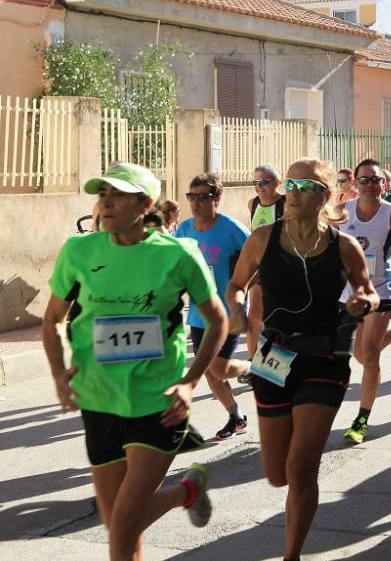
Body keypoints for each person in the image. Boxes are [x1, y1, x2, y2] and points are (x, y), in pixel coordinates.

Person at [43, 163, 223, 560]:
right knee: (118, 523)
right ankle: (186, 492)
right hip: (98, 400)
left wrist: (191, 383)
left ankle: (185, 490)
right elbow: (52, 320)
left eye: (118, 195)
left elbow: (218, 321)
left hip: (158, 403)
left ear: (145, 204)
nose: (106, 203)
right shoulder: (79, 251)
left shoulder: (178, 255)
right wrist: (58, 373)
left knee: (123, 525)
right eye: (102, 194)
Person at [226, 157, 379, 561]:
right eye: (290, 185)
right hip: (275, 357)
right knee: (277, 473)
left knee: (302, 468)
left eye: (305, 187)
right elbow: (237, 284)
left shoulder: (342, 246)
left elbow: (368, 290)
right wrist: (237, 308)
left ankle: (291, 556)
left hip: (325, 358)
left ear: (324, 197)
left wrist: (364, 301)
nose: (292, 193)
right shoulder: (262, 238)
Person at [338, 159, 391, 444]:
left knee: (368, 357)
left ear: (385, 184)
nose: (370, 185)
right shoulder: (341, 213)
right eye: (364, 180)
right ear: (355, 183)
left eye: (375, 180)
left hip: (381, 291)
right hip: (349, 294)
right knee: (359, 354)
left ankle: (361, 419)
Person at [176, 174, 253, 439]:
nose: (196, 203)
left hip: (229, 312)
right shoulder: (184, 230)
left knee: (218, 368)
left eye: (203, 197)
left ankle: (250, 369)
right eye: (192, 197)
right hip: (198, 315)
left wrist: (248, 297)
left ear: (217, 199)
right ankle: (236, 417)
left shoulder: (233, 230)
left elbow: (258, 260)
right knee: (210, 373)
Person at [246, 165, 286, 360]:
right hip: (259, 267)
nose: (259, 186)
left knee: (277, 317)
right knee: (254, 314)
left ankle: (277, 362)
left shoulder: (285, 204)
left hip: (283, 268)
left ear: (277, 183)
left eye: (264, 182)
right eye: (256, 182)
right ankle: (252, 361)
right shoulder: (252, 204)